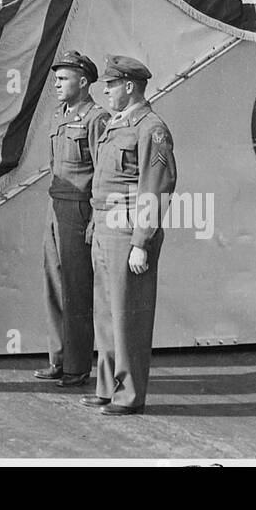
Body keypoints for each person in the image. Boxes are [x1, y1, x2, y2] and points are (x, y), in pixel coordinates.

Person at [85, 56, 177, 416]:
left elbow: (155, 189)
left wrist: (142, 243)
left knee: (129, 317)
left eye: (110, 85)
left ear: (129, 87)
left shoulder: (151, 129)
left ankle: (129, 395)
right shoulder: (115, 125)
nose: (105, 91)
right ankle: (108, 389)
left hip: (128, 230)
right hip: (106, 226)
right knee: (106, 315)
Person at [35, 51, 108, 388]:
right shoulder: (58, 116)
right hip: (56, 205)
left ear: (83, 81)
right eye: (56, 79)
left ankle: (77, 366)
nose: (57, 84)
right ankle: (59, 359)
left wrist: (94, 216)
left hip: (80, 208)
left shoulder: (96, 119)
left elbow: (103, 172)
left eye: (63, 79)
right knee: (54, 284)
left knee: (77, 289)